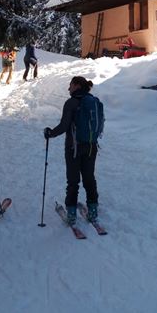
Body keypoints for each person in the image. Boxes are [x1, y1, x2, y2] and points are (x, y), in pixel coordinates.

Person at [43, 76, 104, 223]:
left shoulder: (71, 102)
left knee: (73, 181)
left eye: (70, 85)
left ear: (77, 85)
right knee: (89, 178)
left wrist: (50, 133)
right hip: (91, 146)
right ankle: (93, 210)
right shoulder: (94, 101)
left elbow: (64, 126)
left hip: (74, 147)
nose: (68, 88)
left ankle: (71, 214)